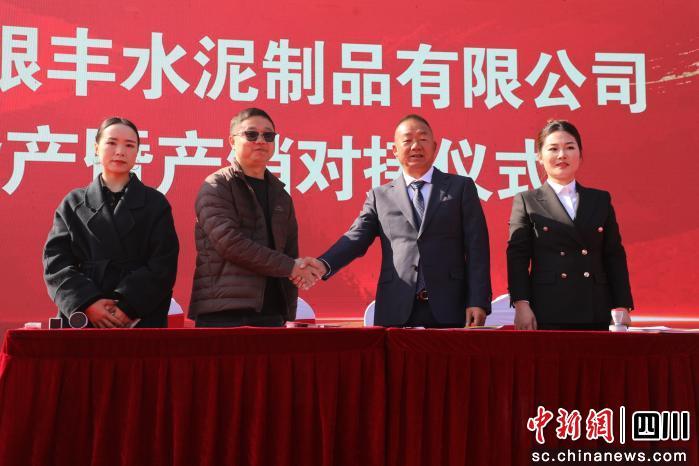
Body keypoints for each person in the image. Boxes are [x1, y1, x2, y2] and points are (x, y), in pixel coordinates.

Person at [305, 114, 492, 327]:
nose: (416, 146)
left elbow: (477, 247)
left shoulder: (460, 187)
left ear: (435, 146)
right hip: (396, 306)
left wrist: (478, 300)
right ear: (395, 150)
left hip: (451, 306)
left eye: (423, 139)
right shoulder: (380, 196)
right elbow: (356, 238)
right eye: (407, 140)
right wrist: (323, 264)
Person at [43, 117, 179, 328]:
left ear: (137, 152)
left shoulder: (155, 203)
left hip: (139, 316)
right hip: (86, 316)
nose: (120, 151)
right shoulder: (73, 203)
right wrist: (88, 302)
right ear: (96, 148)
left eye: (129, 145)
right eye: (111, 143)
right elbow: (56, 262)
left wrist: (127, 305)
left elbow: (163, 264)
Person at [188, 108, 318, 327]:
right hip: (224, 312)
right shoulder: (216, 186)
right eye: (251, 134)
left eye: (268, 135)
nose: (260, 141)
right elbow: (230, 244)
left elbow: (289, 252)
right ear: (232, 141)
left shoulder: (281, 196)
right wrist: (291, 266)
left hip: (272, 313)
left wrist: (293, 287)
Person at [507, 119, 634, 330]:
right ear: (540, 157)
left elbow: (614, 255)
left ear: (580, 154)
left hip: (595, 306)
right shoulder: (527, 200)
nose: (562, 155)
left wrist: (622, 304)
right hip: (547, 307)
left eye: (569, 147)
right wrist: (521, 304)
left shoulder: (600, 199)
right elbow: (517, 257)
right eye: (553, 149)